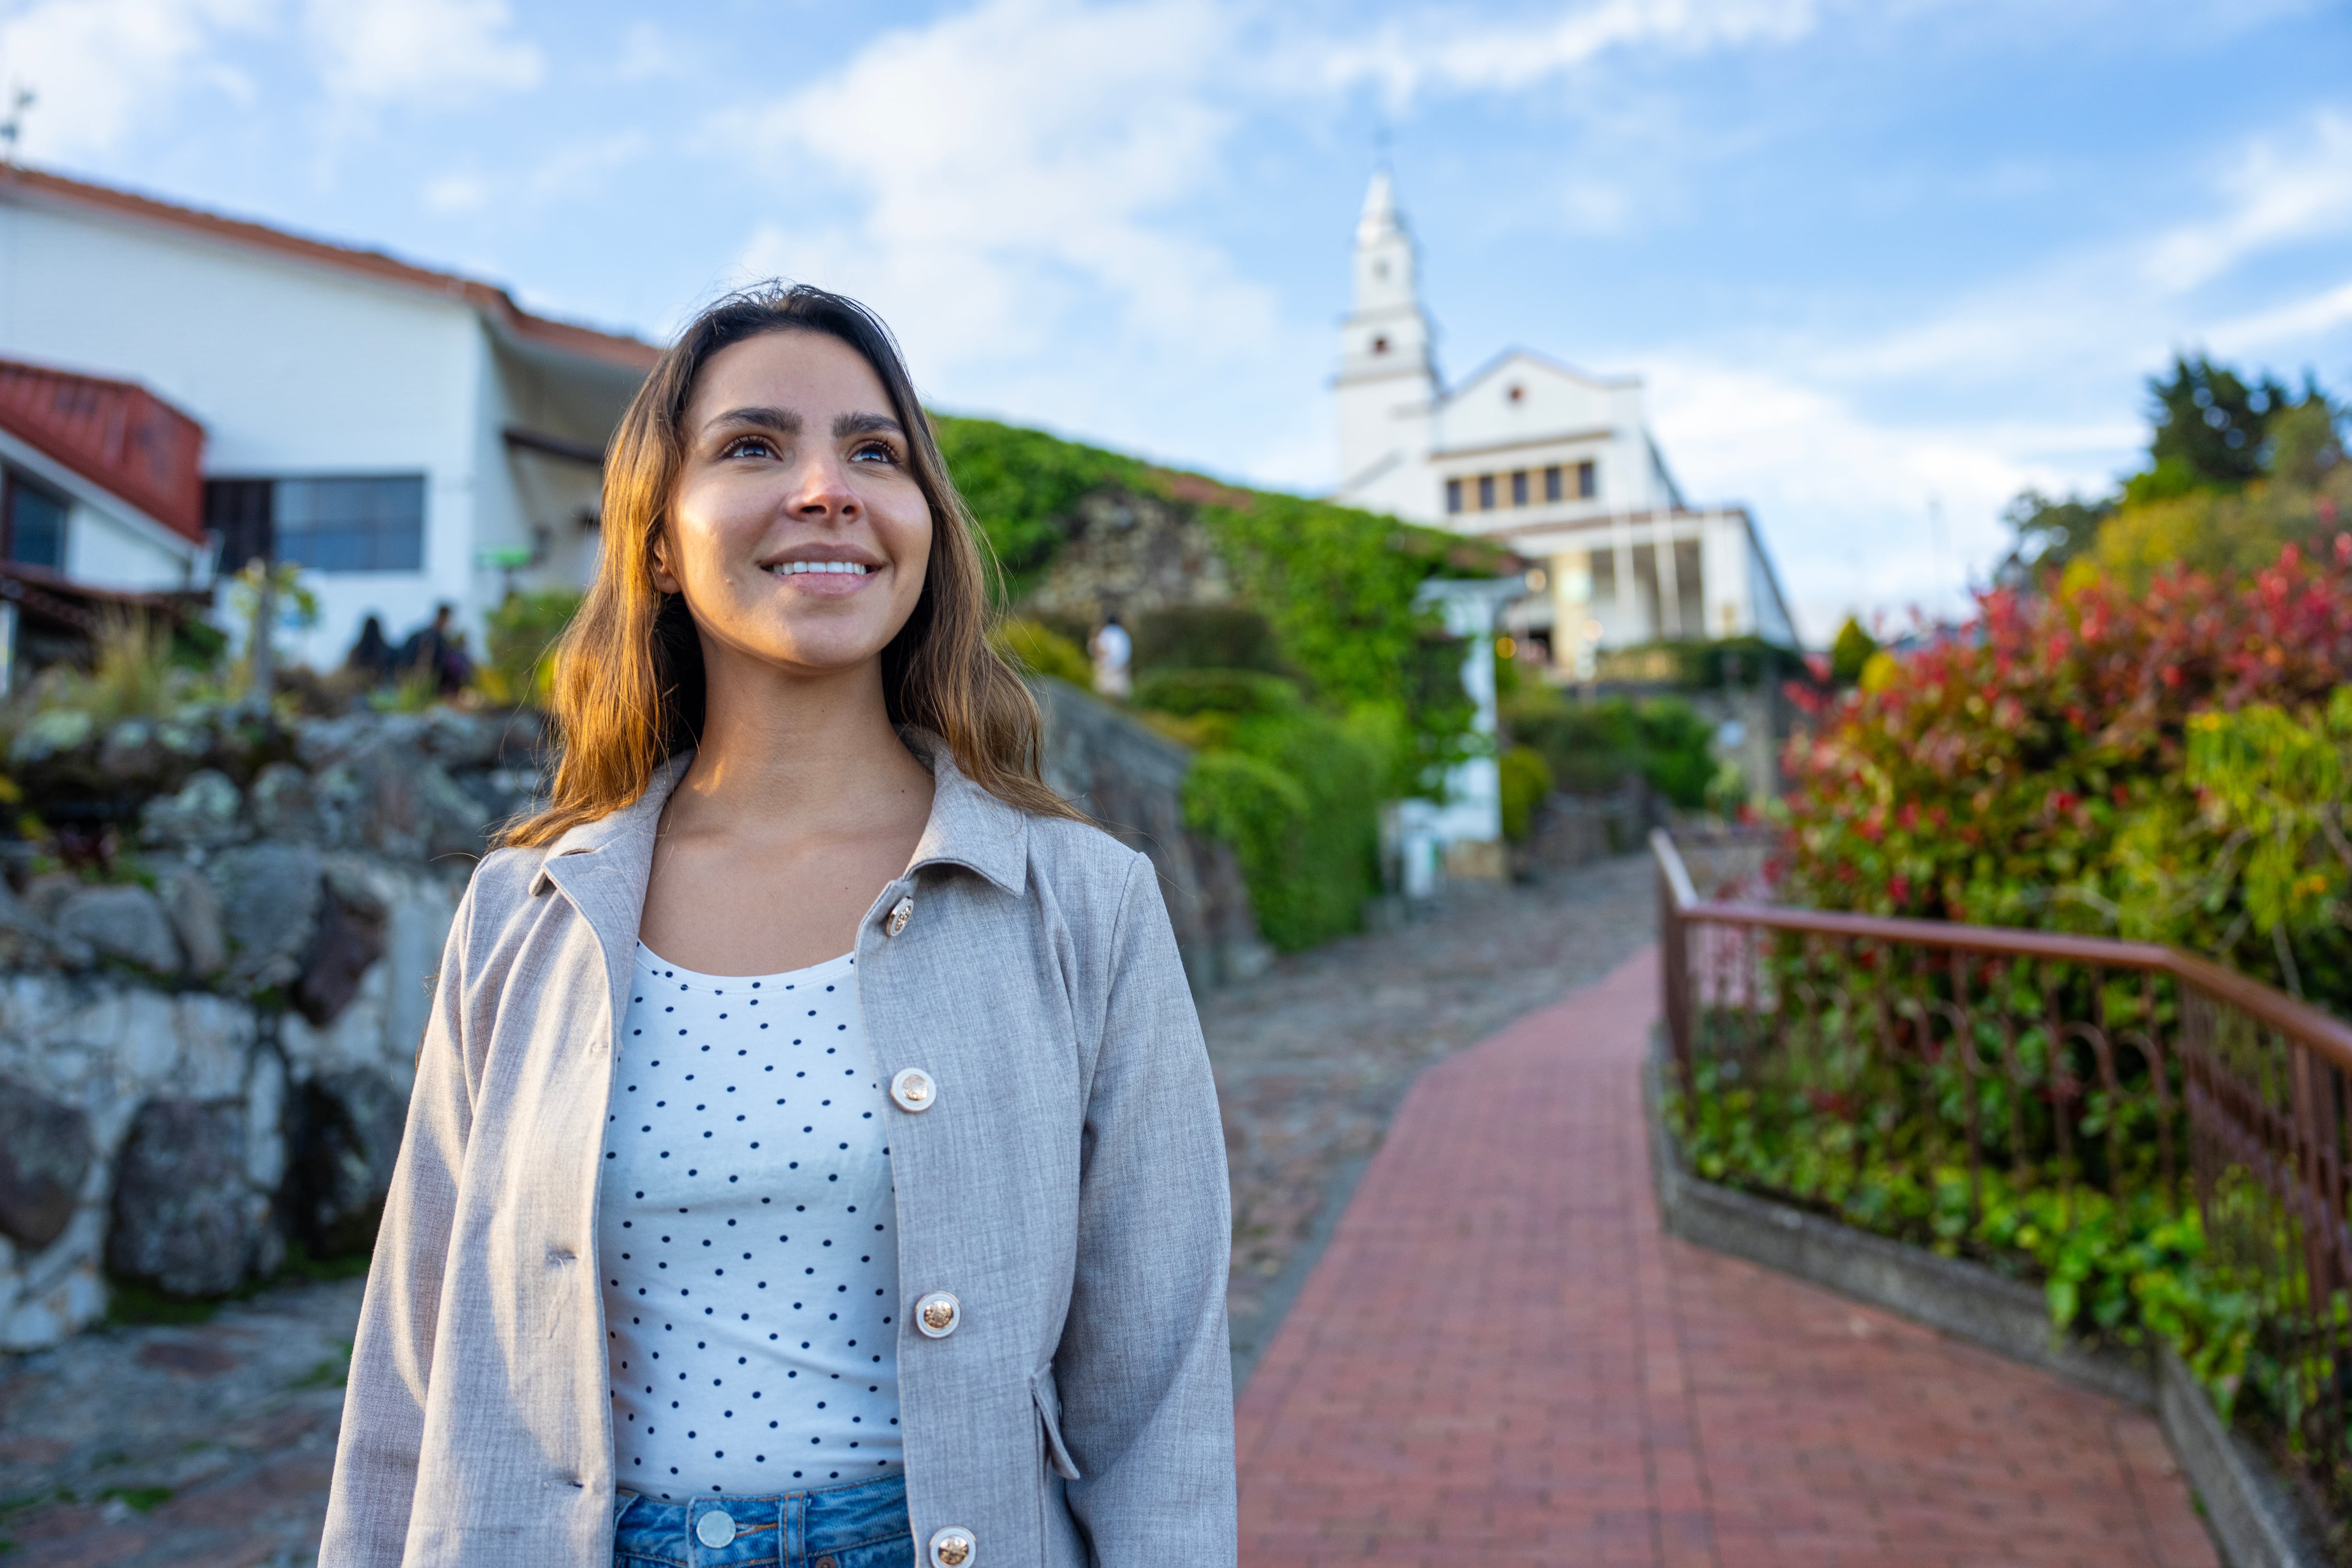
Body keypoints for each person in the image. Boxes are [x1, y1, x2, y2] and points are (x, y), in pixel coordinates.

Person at [319, 284, 1236, 1568]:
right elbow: (409, 1387)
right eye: (753, 446)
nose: (826, 488)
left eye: (876, 451)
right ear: (655, 536)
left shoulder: (1083, 902)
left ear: (925, 524)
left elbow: (1160, 1404)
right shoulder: (526, 914)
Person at [1089, 612, 1131, 699]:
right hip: (1121, 669)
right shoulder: (1123, 634)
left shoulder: (1106, 633)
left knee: (1103, 696)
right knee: (1118, 697)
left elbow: (1101, 651)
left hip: (1107, 669)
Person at [344, 615, 395, 685]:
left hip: (360, 689)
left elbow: (349, 672)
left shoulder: (356, 652)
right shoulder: (387, 652)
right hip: (383, 690)